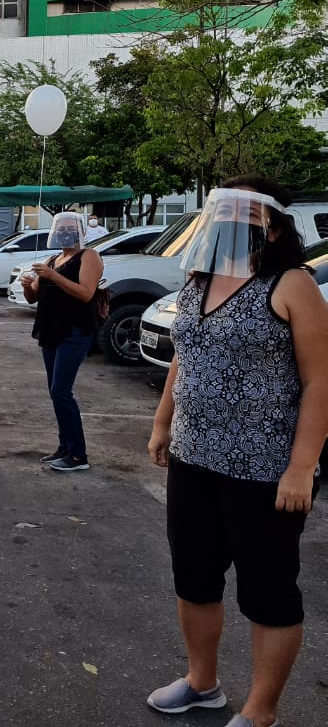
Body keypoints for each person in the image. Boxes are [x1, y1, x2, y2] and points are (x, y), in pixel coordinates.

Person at [146, 177, 328, 727]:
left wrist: (301, 469)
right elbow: (186, 355)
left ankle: (261, 711)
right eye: (222, 211)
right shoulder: (200, 278)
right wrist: (162, 424)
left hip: (265, 471)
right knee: (194, 577)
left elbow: (320, 382)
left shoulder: (292, 284)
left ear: (272, 225)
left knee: (268, 590)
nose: (229, 222)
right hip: (193, 460)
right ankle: (203, 684)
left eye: (244, 214)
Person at [20, 211, 103, 472]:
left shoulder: (88, 256)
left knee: (61, 391)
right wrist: (27, 284)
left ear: (80, 231)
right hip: (50, 331)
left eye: (71, 228)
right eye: (62, 228)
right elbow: (33, 297)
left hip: (74, 331)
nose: (66, 232)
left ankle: (78, 455)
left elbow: (86, 293)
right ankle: (65, 446)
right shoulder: (54, 259)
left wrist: (53, 276)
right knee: (55, 392)